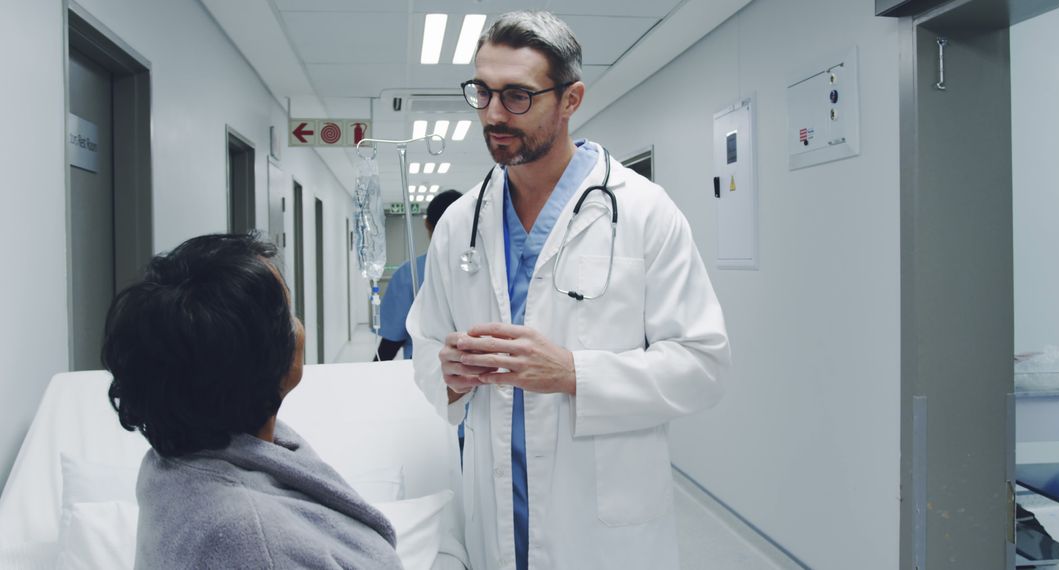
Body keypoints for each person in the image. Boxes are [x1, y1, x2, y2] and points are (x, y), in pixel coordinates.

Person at [406, 11, 731, 570]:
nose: (492, 114)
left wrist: (572, 373)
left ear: (571, 99)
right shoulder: (461, 222)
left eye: (517, 96)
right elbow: (426, 345)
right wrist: (450, 376)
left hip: (603, 525)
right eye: (482, 92)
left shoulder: (644, 212)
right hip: (497, 506)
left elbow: (703, 365)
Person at [102, 233, 403, 570]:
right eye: (289, 314)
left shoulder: (174, 459)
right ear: (267, 361)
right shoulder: (256, 544)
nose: (299, 326)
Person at [375, 189, 463, 361]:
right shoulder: (492, 268)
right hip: (483, 370)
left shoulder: (409, 273)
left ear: (428, 225)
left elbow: (391, 342)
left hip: (422, 368)